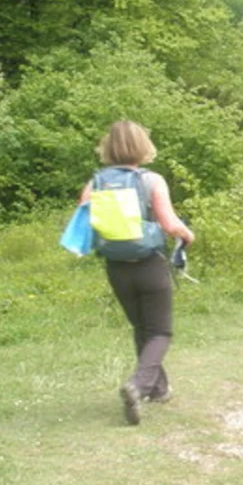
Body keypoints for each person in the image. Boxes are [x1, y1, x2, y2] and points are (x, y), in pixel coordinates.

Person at [80, 121, 196, 426]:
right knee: (160, 331)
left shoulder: (95, 183)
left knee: (142, 328)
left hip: (116, 268)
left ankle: (158, 390)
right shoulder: (151, 181)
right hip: (149, 264)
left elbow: (84, 220)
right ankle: (138, 386)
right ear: (143, 146)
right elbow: (170, 225)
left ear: (108, 147)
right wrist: (188, 235)